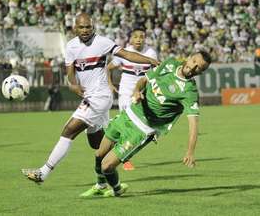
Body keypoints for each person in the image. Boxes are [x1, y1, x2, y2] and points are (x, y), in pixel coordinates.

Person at [22, 13, 159, 196]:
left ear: (93, 27)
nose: (85, 31)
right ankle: (110, 182)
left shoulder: (102, 42)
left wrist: (149, 60)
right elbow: (70, 72)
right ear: (75, 28)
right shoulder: (71, 46)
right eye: (81, 27)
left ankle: (43, 172)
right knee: (97, 144)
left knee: (68, 130)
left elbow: (126, 54)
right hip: (90, 96)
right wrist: (73, 85)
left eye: (88, 27)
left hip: (100, 97)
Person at [82, 50, 212, 197]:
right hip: (128, 115)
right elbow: (144, 80)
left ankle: (117, 189)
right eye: (194, 62)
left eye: (199, 68)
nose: (194, 68)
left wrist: (190, 152)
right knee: (99, 154)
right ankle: (100, 185)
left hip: (142, 130)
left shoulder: (189, 92)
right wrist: (137, 91)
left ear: (201, 72)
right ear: (189, 58)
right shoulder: (169, 64)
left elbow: (193, 125)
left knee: (106, 165)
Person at [107, 27, 158, 171]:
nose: (138, 40)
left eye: (141, 37)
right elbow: (108, 68)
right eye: (135, 37)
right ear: (131, 38)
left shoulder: (150, 53)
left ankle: (121, 151)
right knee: (127, 127)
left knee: (140, 128)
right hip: (125, 94)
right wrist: (110, 84)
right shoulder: (125, 52)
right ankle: (124, 158)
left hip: (141, 96)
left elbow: (154, 73)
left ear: (145, 38)